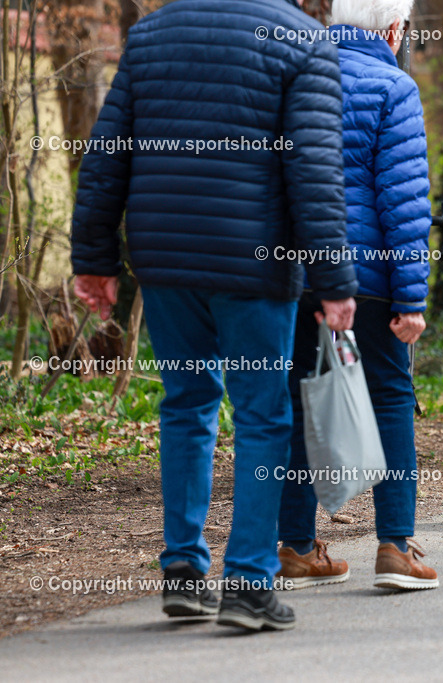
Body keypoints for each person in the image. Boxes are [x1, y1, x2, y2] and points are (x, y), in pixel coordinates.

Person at [71, 0, 357, 631]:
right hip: (254, 265)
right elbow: (313, 169)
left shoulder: (150, 36)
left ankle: (183, 572)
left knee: (186, 403)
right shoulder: (302, 40)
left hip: (167, 259)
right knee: (262, 415)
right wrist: (335, 279)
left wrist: (94, 259)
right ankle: (250, 583)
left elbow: (107, 152)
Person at [276, 0, 437, 590]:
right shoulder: (394, 87)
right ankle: (396, 546)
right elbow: (404, 204)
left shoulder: (294, 74)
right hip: (367, 281)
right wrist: (410, 298)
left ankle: (294, 547)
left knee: (299, 403)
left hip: (295, 274)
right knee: (392, 396)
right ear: (394, 28)